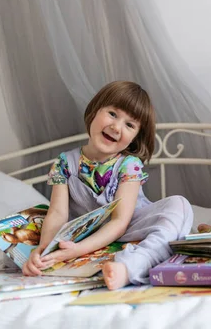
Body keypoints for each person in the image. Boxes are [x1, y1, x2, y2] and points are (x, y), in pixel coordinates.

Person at [23, 81, 193, 290]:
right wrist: (44, 252)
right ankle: (91, 258)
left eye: (129, 125)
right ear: (95, 110)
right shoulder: (64, 163)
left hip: (130, 229)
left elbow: (120, 221)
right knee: (32, 229)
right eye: (112, 114)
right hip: (88, 236)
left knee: (179, 206)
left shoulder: (130, 165)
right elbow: (57, 213)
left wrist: (79, 250)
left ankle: (129, 267)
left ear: (134, 139)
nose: (116, 127)